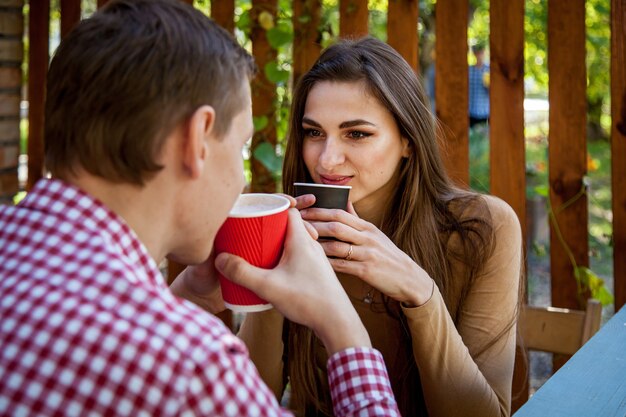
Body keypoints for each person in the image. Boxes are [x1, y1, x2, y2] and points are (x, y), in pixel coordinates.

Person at [0, 3, 400, 416]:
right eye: (241, 145)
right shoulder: (191, 368)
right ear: (197, 140)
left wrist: (188, 297)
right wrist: (343, 329)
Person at [239, 37, 523, 417]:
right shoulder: (291, 230)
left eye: (356, 133)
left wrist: (421, 294)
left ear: (408, 139)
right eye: (313, 132)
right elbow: (247, 401)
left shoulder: (482, 228)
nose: (327, 158)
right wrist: (269, 282)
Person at [468, 43, 490, 127]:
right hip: (471, 112)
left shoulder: (489, 69)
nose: (479, 55)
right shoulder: (469, 70)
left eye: (481, 52)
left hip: (485, 112)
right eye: (477, 52)